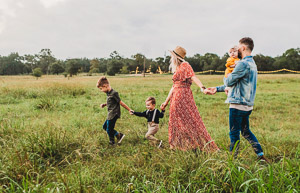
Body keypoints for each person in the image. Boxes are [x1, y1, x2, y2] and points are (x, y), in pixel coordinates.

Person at [206, 37, 269, 162]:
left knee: (234, 133)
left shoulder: (242, 64)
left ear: (244, 48)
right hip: (248, 105)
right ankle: (260, 155)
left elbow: (229, 81)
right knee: (246, 132)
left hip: (237, 105)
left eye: (239, 47)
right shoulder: (252, 64)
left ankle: (233, 160)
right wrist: (217, 89)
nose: (237, 50)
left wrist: (227, 75)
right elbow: (237, 84)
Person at [160, 46, 219, 151]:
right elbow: (174, 86)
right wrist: (166, 102)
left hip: (183, 96)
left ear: (176, 57)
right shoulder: (178, 68)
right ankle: (178, 145)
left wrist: (203, 88)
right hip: (176, 96)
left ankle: (191, 144)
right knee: (176, 121)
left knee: (188, 120)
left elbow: (193, 77)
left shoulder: (185, 65)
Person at [97, 77, 132, 145]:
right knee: (105, 127)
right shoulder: (108, 93)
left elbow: (120, 102)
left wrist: (129, 109)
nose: (101, 90)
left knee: (109, 129)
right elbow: (112, 102)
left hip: (114, 114)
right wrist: (105, 104)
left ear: (105, 86)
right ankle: (119, 135)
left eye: (101, 89)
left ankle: (112, 142)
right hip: (110, 114)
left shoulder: (114, 93)